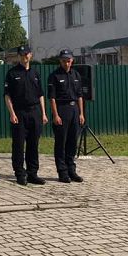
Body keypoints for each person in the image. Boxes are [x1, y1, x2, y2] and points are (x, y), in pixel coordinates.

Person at [4, 45, 48, 186]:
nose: (25, 57)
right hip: (19, 113)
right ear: (19, 56)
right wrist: (12, 113)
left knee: (33, 144)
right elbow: (7, 96)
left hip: (35, 112)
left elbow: (40, 94)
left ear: (31, 55)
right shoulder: (12, 73)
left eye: (27, 54)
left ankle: (32, 174)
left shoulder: (35, 73)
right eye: (22, 54)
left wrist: (44, 113)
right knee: (18, 145)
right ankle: (20, 174)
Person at [47, 49, 85, 183]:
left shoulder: (76, 75)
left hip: (74, 109)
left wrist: (81, 113)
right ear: (60, 61)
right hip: (61, 109)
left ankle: (71, 170)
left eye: (68, 61)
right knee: (61, 143)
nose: (66, 63)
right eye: (64, 61)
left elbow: (80, 95)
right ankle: (62, 172)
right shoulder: (54, 76)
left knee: (72, 142)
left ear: (72, 61)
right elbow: (51, 98)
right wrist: (55, 115)